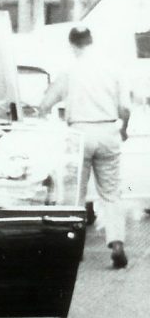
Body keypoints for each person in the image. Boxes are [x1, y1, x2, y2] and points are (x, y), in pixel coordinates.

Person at [39, 25, 131, 268]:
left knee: (76, 193)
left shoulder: (70, 70)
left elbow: (45, 104)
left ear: (72, 45)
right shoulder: (114, 68)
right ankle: (117, 242)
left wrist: (48, 121)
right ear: (92, 40)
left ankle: (75, 247)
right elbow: (125, 109)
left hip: (79, 133)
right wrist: (123, 129)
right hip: (108, 130)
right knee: (110, 192)